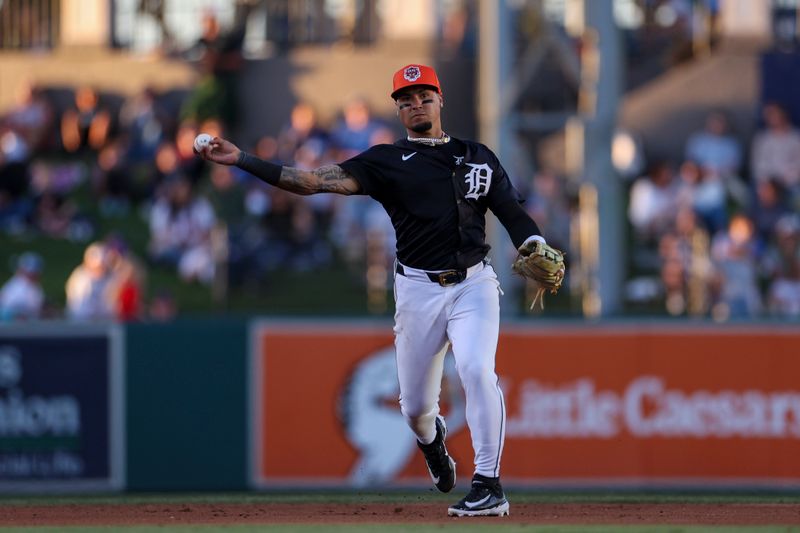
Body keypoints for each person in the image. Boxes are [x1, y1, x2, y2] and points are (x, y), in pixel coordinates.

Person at [197, 64, 561, 517]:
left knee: (475, 368)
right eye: (406, 99)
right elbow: (311, 182)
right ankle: (433, 444)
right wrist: (245, 160)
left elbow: (510, 211)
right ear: (398, 109)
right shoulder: (386, 161)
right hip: (417, 292)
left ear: (440, 99)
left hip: (474, 283)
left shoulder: (478, 157)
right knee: (414, 411)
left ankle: (488, 483)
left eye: (423, 95)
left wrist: (535, 244)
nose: (416, 104)